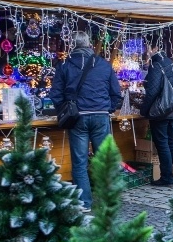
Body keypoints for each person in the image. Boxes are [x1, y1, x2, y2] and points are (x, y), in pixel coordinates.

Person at [50, 31, 122, 212]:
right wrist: (108, 109)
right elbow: (116, 93)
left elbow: (56, 94)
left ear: (72, 45)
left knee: (80, 162)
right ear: (89, 44)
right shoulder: (104, 64)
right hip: (100, 116)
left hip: (78, 117)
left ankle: (84, 203)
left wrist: (64, 111)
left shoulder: (65, 65)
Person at [140, 43, 173, 187]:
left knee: (162, 144)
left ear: (153, 48)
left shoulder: (156, 65)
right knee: (171, 142)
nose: (146, 52)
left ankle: (166, 177)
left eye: (147, 48)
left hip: (161, 111)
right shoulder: (168, 62)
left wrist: (144, 110)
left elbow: (152, 91)